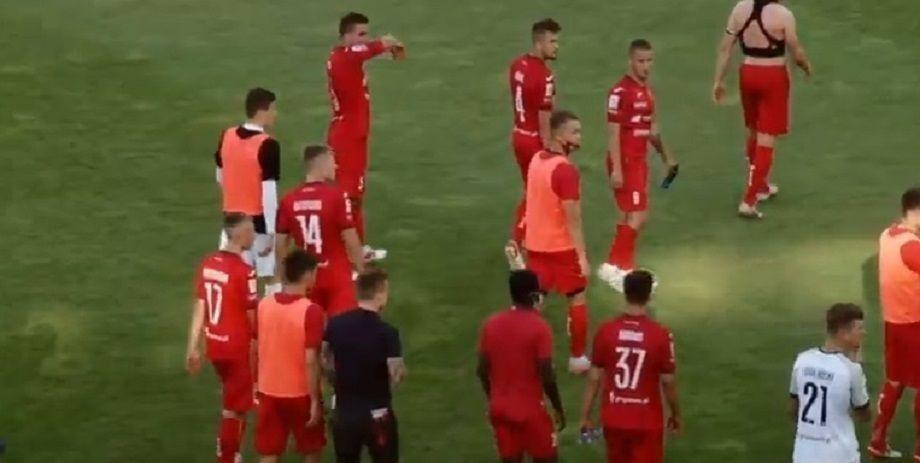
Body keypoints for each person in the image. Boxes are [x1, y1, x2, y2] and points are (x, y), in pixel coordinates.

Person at [712, 0, 812, 219]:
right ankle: (749, 201)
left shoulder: (740, 9)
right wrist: (806, 67)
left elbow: (725, 47)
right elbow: (795, 51)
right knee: (766, 139)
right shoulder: (783, 15)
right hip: (773, 77)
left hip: (748, 74)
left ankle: (762, 185)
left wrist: (718, 80)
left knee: (754, 131)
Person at [597, 39, 678, 292]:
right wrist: (617, 169)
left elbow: (652, 131)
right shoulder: (619, 93)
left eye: (649, 60)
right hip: (625, 161)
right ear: (630, 61)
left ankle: (621, 266)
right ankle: (615, 267)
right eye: (641, 61)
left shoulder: (647, 93)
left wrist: (666, 157)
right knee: (639, 216)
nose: (646, 66)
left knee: (628, 216)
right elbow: (612, 133)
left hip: (639, 161)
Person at [579, 270, 681, 463]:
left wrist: (585, 415)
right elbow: (668, 381)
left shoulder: (605, 331)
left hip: (613, 417)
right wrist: (676, 414)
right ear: (649, 296)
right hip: (647, 420)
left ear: (624, 293)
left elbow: (594, 377)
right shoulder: (661, 335)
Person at [327, 12, 404, 256]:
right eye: (360, 34)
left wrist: (385, 50)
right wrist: (386, 43)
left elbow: (363, 53)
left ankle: (358, 249)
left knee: (357, 196)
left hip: (355, 134)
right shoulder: (344, 58)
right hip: (347, 137)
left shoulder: (346, 57)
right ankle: (347, 254)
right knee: (348, 198)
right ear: (347, 35)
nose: (364, 38)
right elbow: (366, 50)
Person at [185, 212, 259, 463]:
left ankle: (231, 455)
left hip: (214, 345)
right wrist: (261, 343)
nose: (254, 236)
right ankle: (228, 457)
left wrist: (193, 347)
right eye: (251, 231)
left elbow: (200, 307)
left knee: (234, 402)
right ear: (241, 235)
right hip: (238, 349)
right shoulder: (245, 271)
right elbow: (251, 315)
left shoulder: (208, 263)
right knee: (235, 411)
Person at [523, 110, 591, 374]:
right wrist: (582, 256)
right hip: (561, 248)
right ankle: (577, 358)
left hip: (535, 245)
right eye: (575, 132)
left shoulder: (536, 160)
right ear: (560, 136)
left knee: (534, 302)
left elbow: (529, 200)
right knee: (577, 298)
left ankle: (528, 356)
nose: (580, 137)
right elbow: (573, 219)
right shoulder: (565, 171)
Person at [477, 270, 566, 463]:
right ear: (534, 296)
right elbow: (547, 375)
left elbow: (482, 370)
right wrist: (558, 407)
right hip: (530, 412)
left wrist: (494, 398)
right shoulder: (540, 327)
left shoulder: (490, 325)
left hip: (500, 410)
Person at [323, 267, 406, 463]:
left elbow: (323, 359)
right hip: (378, 414)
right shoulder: (387, 333)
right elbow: (396, 374)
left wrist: (335, 379)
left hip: (345, 414)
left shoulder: (335, 324)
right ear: (380, 294)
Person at [276, 145, 366, 317]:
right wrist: (362, 271)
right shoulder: (337, 196)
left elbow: (280, 244)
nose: (336, 167)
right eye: (333, 162)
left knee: (310, 326)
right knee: (340, 327)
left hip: (306, 276)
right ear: (322, 164)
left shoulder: (289, 199)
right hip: (337, 275)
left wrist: (286, 275)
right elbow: (350, 238)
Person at [254, 250, 326, 463]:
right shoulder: (311, 311)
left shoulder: (264, 304)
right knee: (311, 449)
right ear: (307, 275)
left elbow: (254, 346)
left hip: (269, 389)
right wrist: (315, 399)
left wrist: (256, 382)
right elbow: (311, 359)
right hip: (299, 392)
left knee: (269, 452)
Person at [505, 18, 561, 268]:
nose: (556, 46)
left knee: (532, 191)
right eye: (552, 41)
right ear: (539, 43)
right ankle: (518, 241)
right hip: (535, 141)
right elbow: (544, 116)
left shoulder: (517, 65)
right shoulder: (545, 76)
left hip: (518, 134)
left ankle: (528, 241)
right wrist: (551, 148)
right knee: (538, 195)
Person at [868, 186, 920, 459]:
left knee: (894, 381)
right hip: (915, 324)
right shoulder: (912, 247)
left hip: (893, 322)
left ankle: (877, 441)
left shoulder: (887, 235)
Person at [215, 87, 281, 293]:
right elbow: (269, 193)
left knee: (232, 277)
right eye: (272, 109)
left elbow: (220, 176)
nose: (275, 114)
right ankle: (271, 312)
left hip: (231, 222)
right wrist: (272, 232)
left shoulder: (226, 136)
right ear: (261, 111)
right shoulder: (268, 145)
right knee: (271, 276)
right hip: (258, 225)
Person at [789, 303, 871, 463]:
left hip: (803, 455)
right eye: (859, 328)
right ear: (844, 332)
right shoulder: (851, 369)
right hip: (840, 455)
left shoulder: (802, 360)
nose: (863, 333)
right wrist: (858, 368)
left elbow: (793, 408)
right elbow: (864, 415)